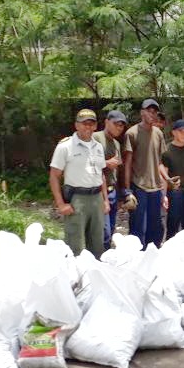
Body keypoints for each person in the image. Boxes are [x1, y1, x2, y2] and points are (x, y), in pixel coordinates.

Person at [49, 109, 110, 258]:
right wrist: (61, 204)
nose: (88, 127)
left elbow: (101, 174)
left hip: (96, 199)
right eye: (84, 124)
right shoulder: (65, 146)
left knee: (97, 243)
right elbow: (54, 176)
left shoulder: (98, 147)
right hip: (77, 199)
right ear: (76, 125)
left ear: (95, 126)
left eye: (91, 124)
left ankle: (94, 278)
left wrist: (105, 200)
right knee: (75, 245)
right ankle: (75, 279)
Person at [123, 99, 169, 248]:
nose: (152, 114)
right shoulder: (132, 133)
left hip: (156, 188)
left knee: (155, 228)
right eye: (149, 111)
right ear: (142, 112)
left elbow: (159, 162)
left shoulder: (158, 133)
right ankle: (136, 261)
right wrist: (128, 190)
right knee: (138, 228)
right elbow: (128, 164)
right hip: (139, 186)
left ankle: (152, 260)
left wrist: (167, 179)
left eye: (155, 111)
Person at [92, 109, 126, 251]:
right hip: (98, 191)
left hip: (112, 191)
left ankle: (104, 261)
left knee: (110, 229)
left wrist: (119, 196)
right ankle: (97, 260)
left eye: (121, 125)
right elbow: (88, 162)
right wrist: (106, 163)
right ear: (106, 122)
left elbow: (116, 170)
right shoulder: (95, 137)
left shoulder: (117, 143)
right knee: (103, 231)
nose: (119, 128)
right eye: (116, 124)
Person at [162, 119, 184, 239]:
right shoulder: (166, 150)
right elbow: (163, 174)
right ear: (174, 132)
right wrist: (164, 195)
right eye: (181, 131)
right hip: (174, 193)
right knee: (173, 225)